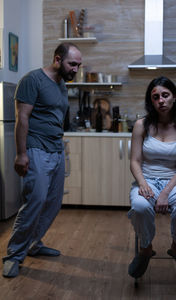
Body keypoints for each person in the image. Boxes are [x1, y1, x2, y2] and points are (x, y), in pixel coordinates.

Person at [2, 42, 82, 278]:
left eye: (79, 65)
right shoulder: (32, 80)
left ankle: (34, 244)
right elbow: (22, 118)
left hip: (56, 149)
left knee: (53, 203)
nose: (76, 69)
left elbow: (55, 117)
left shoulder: (61, 85)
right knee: (35, 201)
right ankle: (14, 255)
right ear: (58, 59)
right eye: (72, 64)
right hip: (35, 149)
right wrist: (21, 153)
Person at [128, 76, 176, 279]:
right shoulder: (141, 125)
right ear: (151, 101)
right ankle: (146, 249)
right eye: (155, 97)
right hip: (147, 179)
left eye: (165, 95)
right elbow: (134, 161)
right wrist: (142, 184)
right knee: (140, 206)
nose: (161, 100)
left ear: (174, 97)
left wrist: (166, 193)